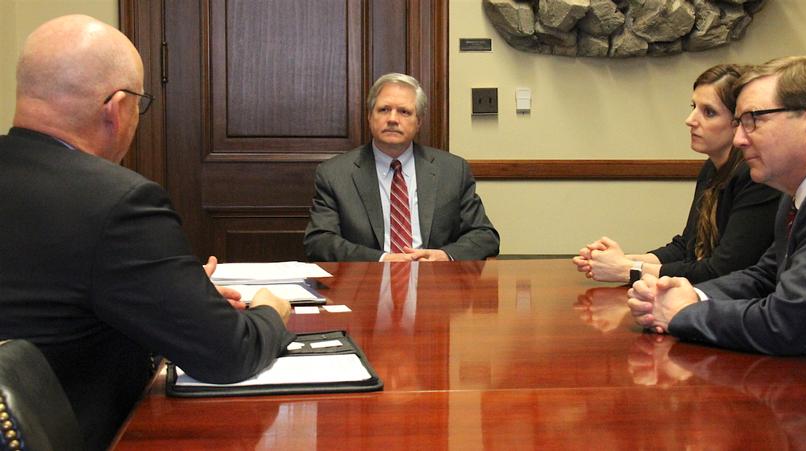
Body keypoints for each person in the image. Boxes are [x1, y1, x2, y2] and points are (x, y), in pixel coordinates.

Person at [0, 15, 295, 450]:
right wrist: (270, 312)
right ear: (117, 108)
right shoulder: (119, 203)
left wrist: (170, 295)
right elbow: (227, 354)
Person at [627, 56, 806, 397]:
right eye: (738, 123)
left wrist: (684, 312)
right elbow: (766, 275)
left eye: (753, 120)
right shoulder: (805, 184)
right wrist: (694, 294)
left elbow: (788, 322)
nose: (739, 139)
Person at [573, 64, 780, 284]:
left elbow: (722, 271)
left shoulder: (756, 177)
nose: (690, 120)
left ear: (738, 121)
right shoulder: (712, 168)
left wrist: (629, 270)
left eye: (709, 112)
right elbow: (686, 247)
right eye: (694, 107)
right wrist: (619, 261)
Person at [303, 73, 500, 262]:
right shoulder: (335, 174)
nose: (392, 119)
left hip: (434, 277)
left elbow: (484, 235)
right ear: (370, 116)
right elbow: (319, 241)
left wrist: (444, 256)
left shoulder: (452, 171)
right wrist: (381, 259)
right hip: (368, 278)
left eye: (404, 112)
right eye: (384, 109)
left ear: (419, 122)